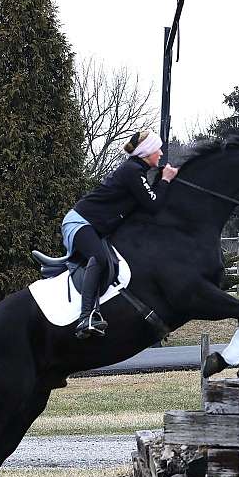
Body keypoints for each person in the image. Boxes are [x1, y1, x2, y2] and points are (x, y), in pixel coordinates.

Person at [61, 130, 179, 339]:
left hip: (94, 226)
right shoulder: (132, 171)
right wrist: (166, 180)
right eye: (157, 149)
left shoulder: (136, 172)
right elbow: (153, 205)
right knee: (99, 257)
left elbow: (147, 202)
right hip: (79, 223)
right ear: (147, 152)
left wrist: (160, 180)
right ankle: (85, 317)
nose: (160, 153)